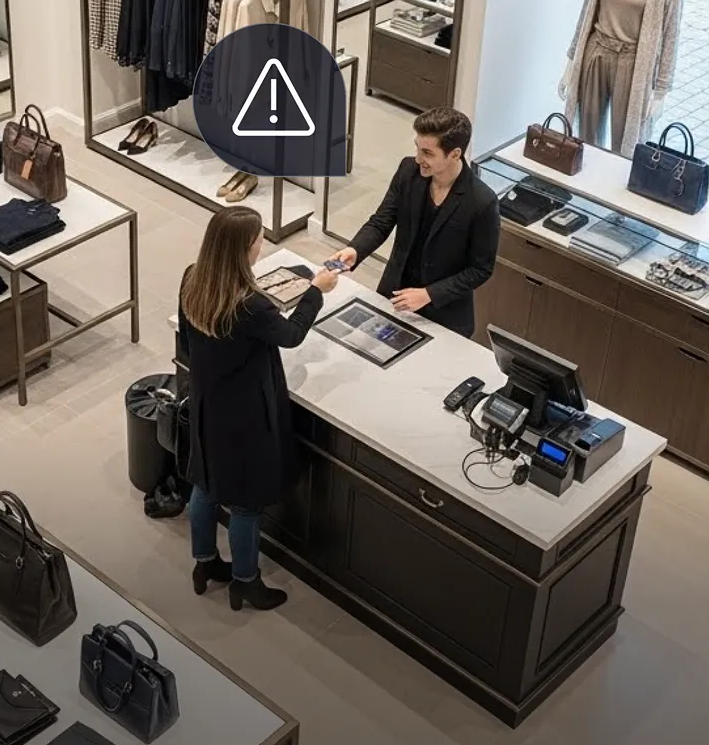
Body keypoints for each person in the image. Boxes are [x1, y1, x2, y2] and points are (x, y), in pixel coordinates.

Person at [178, 207, 339, 611]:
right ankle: (245, 582)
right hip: (245, 418)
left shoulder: (193, 279)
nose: (262, 244)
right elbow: (291, 335)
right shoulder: (250, 306)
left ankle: (205, 563)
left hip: (206, 406)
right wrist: (316, 290)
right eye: (258, 240)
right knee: (247, 504)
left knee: (206, 487)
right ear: (244, 249)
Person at [331, 107, 499, 338]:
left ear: (455, 154)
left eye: (428, 153)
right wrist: (355, 250)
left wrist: (429, 294)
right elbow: (382, 221)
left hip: (445, 314)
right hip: (394, 295)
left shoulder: (483, 202)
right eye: (417, 149)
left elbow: (480, 269)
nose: (419, 159)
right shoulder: (408, 171)